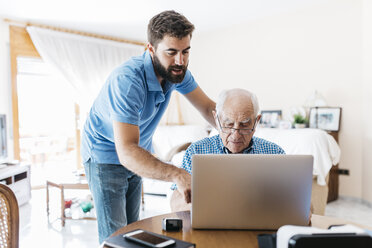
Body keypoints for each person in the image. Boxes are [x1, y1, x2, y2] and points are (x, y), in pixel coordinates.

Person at [81, 10, 216, 243]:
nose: (180, 61)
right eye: (171, 52)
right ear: (151, 49)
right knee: (115, 236)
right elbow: (126, 152)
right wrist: (177, 174)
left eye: (185, 52)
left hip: (136, 152)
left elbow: (207, 108)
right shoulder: (128, 81)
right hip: (105, 154)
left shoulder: (178, 73)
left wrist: (236, 128)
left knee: (132, 230)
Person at [170, 88, 285, 211]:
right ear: (216, 118)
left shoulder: (274, 153)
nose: (236, 135)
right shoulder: (196, 151)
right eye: (229, 124)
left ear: (256, 122)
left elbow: (292, 199)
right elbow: (176, 204)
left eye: (244, 125)